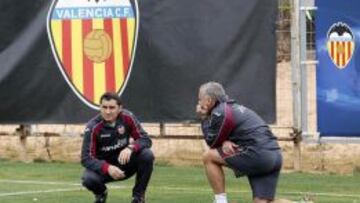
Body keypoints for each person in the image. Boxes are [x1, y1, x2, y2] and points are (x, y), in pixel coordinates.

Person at [196, 82, 283, 203]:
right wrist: (225, 142)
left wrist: (203, 117)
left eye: (200, 99)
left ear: (209, 100)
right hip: (275, 154)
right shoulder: (233, 107)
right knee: (261, 201)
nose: (199, 103)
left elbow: (211, 142)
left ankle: (221, 201)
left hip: (259, 154)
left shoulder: (220, 111)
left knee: (209, 157)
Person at [81, 92, 154, 203]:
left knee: (147, 155)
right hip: (104, 170)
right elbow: (86, 158)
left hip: (125, 165)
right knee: (88, 179)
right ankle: (101, 193)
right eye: (104, 107)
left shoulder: (127, 117)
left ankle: (138, 197)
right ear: (100, 107)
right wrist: (107, 168)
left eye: (112, 107)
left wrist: (131, 147)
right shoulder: (92, 127)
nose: (108, 111)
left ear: (120, 108)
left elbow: (145, 139)